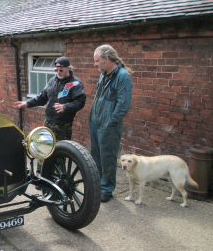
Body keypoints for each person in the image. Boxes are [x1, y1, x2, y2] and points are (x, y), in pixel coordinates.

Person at [90, 44, 133, 202]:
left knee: (107, 157)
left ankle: (106, 189)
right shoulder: (104, 73)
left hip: (108, 125)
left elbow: (123, 105)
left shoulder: (123, 76)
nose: (95, 64)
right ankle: (97, 184)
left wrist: (110, 122)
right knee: (95, 155)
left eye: (97, 61)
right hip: (95, 121)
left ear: (107, 59)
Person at [13, 56, 86, 142]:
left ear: (68, 68)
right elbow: (42, 97)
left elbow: (80, 102)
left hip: (63, 126)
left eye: (61, 70)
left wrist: (65, 107)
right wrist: (27, 103)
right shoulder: (52, 81)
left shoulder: (75, 83)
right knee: (46, 146)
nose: (58, 72)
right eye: (56, 69)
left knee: (60, 150)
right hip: (48, 122)